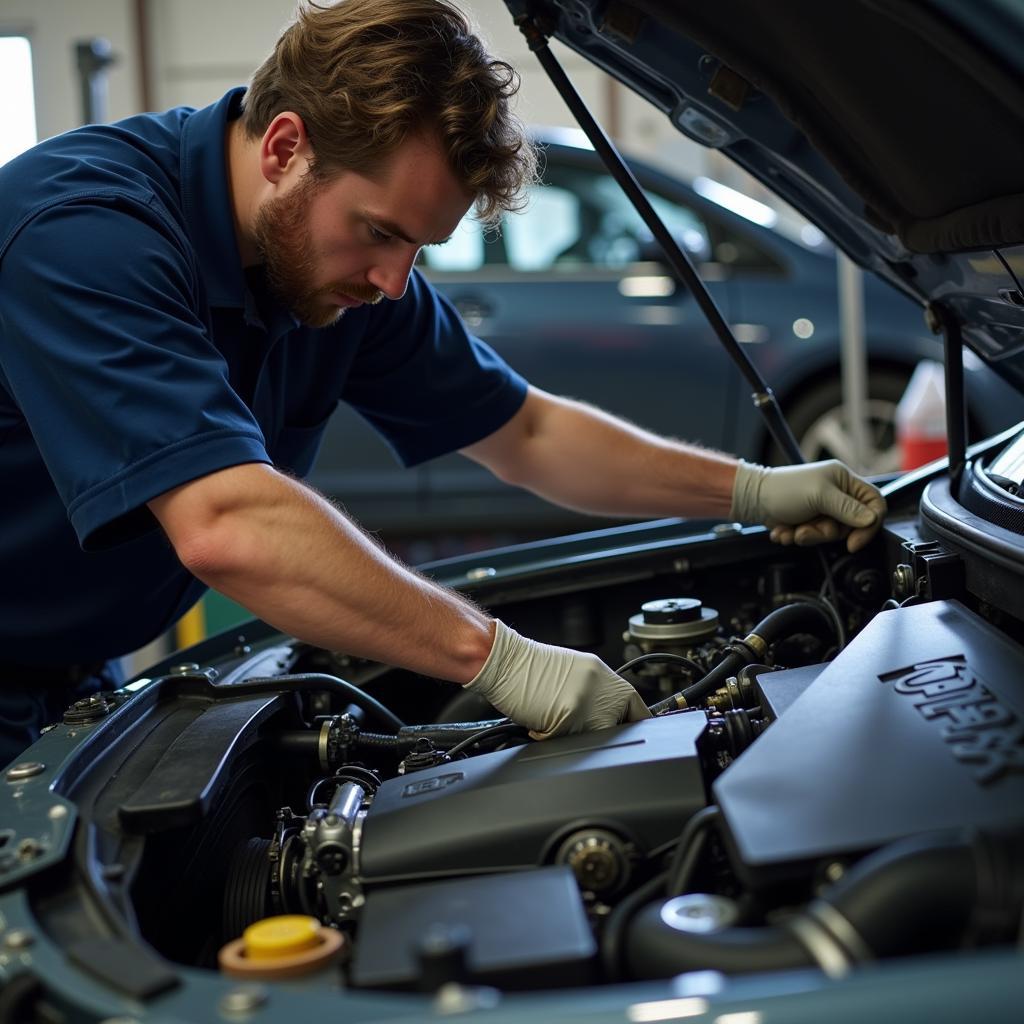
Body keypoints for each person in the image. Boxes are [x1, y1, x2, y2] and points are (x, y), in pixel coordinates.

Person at [0, 0, 885, 765]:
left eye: (419, 247)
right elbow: (226, 526)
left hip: (73, 665)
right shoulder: (84, 234)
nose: (394, 281)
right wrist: (500, 659)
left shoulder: (342, 271)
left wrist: (753, 489)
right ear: (283, 147)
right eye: (381, 233)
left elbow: (527, 435)